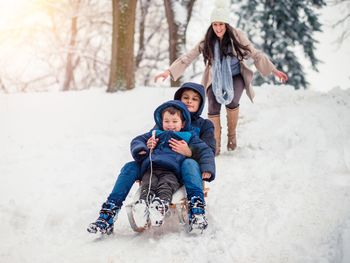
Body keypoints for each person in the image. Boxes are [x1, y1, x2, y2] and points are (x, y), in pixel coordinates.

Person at [154, 0, 288, 156]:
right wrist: (169, 72)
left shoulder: (237, 36)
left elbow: (255, 54)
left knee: (232, 101)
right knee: (212, 106)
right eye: (215, 24)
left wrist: (274, 70)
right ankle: (214, 144)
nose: (218, 28)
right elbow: (188, 57)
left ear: (227, 25)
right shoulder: (207, 41)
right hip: (215, 78)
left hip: (236, 76)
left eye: (221, 24)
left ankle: (232, 134)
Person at [87, 82, 216, 235]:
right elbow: (144, 139)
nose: (189, 101)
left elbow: (208, 150)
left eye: (194, 99)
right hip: (155, 165)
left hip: (183, 168)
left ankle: (196, 211)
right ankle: (108, 213)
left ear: (200, 103)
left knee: (188, 163)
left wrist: (189, 151)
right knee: (130, 166)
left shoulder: (202, 126)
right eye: (185, 97)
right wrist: (147, 146)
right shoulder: (164, 122)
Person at [130, 101, 215, 229]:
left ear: (183, 123)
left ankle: (161, 205)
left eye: (175, 122)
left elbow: (205, 150)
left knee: (166, 184)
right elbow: (137, 140)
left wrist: (207, 168)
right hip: (152, 168)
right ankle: (143, 206)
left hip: (173, 171)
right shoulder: (155, 134)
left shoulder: (187, 136)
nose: (170, 125)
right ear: (161, 121)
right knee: (148, 184)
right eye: (167, 121)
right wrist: (145, 146)